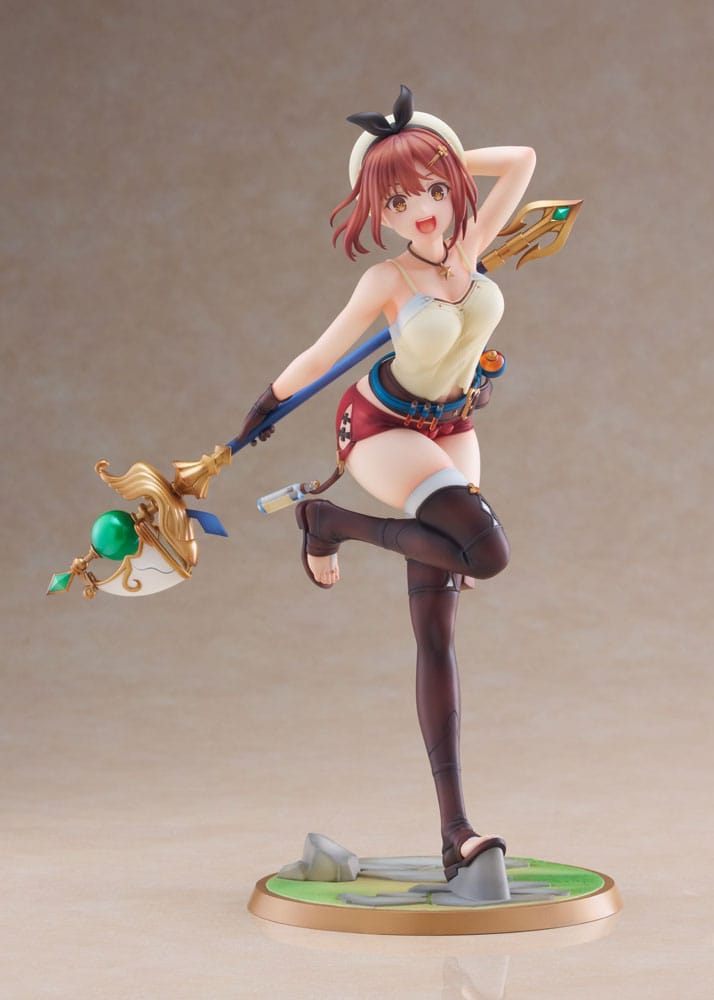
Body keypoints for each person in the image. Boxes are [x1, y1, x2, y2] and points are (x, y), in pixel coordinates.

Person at [237, 86, 536, 881]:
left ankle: (456, 834)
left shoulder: (470, 242)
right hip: (380, 427)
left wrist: (440, 153)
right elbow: (321, 352)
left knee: (437, 632)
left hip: (450, 428)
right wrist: (267, 405)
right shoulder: (387, 279)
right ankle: (330, 522)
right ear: (380, 212)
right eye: (398, 202)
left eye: (433, 189)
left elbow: (523, 160)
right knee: (485, 552)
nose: (424, 211)